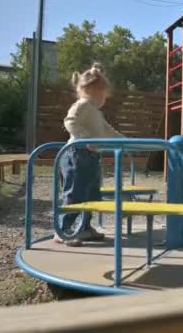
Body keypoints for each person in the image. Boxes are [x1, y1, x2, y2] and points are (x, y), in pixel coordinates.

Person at [55, 63, 124, 247]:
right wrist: (85, 139)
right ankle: (62, 229)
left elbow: (107, 130)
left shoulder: (96, 112)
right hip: (76, 154)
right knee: (75, 193)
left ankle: (84, 228)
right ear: (91, 91)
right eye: (102, 94)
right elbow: (70, 122)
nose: (104, 98)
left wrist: (124, 141)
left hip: (92, 156)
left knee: (92, 194)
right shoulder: (83, 105)